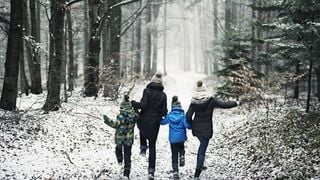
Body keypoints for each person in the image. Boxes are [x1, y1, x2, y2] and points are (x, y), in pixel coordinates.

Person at [186, 80, 240, 179]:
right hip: (206, 129)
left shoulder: (193, 101)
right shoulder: (211, 100)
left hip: (197, 129)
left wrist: (191, 124)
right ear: (205, 89)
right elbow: (224, 104)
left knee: (201, 146)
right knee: (202, 149)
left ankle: (200, 165)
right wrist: (235, 103)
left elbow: (188, 115)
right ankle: (197, 173)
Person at [131, 72, 168, 180]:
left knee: (141, 127)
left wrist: (134, 103)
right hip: (155, 123)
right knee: (152, 145)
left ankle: (143, 146)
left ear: (152, 81)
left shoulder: (146, 91)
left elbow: (142, 105)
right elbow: (164, 112)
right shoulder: (163, 95)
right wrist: (160, 113)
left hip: (144, 119)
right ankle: (151, 171)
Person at [103, 95, 138, 179]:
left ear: (122, 108)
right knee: (128, 155)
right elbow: (137, 115)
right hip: (129, 140)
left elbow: (114, 124)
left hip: (120, 139)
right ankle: (126, 173)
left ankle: (119, 159)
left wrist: (107, 120)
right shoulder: (134, 117)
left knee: (118, 149)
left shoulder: (121, 117)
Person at [160, 96, 190, 180]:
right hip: (181, 138)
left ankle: (176, 171)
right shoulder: (183, 116)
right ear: (180, 107)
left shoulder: (169, 116)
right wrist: (191, 125)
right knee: (181, 147)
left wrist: (157, 118)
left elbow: (162, 122)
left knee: (174, 155)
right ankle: (182, 155)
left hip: (173, 139)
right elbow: (187, 125)